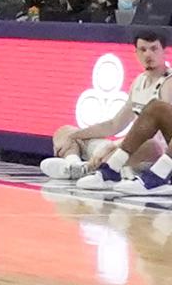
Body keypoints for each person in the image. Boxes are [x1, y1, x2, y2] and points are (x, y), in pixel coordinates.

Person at [41, 30, 170, 188]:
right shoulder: (139, 82)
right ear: (135, 53)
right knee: (65, 132)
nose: (148, 54)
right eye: (143, 50)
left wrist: (115, 146)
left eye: (154, 49)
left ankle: (91, 168)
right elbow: (114, 125)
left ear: (164, 51)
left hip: (150, 150)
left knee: (151, 144)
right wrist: (76, 136)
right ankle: (74, 166)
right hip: (124, 146)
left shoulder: (168, 82)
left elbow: (158, 135)